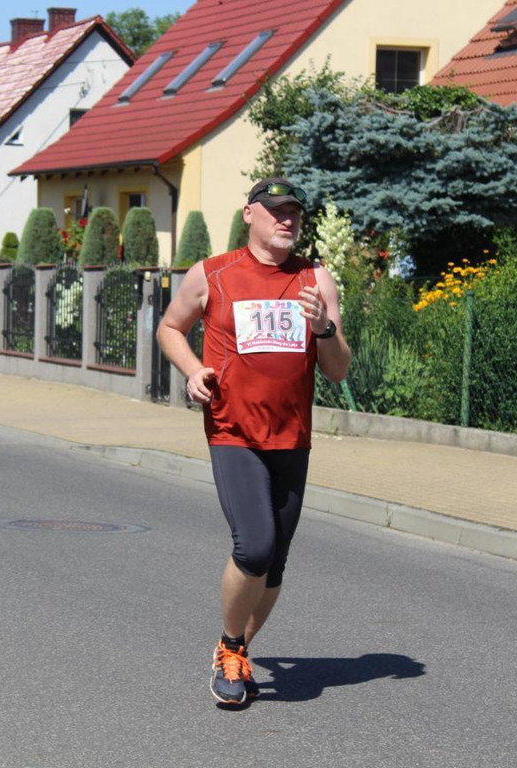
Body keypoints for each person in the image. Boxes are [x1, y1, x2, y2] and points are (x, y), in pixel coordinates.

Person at [156, 178, 352, 706]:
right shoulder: (213, 274)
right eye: (276, 211)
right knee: (256, 546)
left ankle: (239, 651)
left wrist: (324, 329)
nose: (287, 220)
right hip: (233, 431)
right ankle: (227, 644)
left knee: (277, 562)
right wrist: (194, 371)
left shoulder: (316, 280)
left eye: (294, 213)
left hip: (292, 437)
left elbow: (337, 372)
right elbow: (170, 328)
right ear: (251, 214)